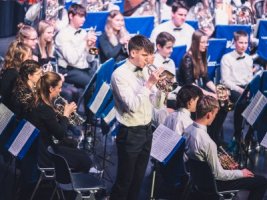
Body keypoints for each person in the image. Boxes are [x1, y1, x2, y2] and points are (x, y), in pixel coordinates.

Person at [110, 35, 165, 200]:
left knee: (138, 180)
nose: (148, 59)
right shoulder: (119, 75)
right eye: (144, 55)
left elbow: (157, 104)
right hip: (130, 133)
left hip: (147, 130)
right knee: (124, 181)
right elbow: (132, 106)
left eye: (150, 55)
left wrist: (161, 88)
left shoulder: (146, 71)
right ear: (133, 53)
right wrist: (148, 84)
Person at [184, 95, 267, 200]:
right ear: (209, 115)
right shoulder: (208, 142)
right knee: (261, 182)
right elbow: (219, 175)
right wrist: (241, 173)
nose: (215, 117)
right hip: (214, 185)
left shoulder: (187, 130)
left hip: (199, 180)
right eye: (215, 114)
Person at [29, 71, 93, 172]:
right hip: (47, 154)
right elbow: (60, 134)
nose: (60, 90)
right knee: (85, 160)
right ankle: (68, 184)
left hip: (45, 145)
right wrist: (66, 114)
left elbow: (51, 125)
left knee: (75, 148)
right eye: (59, 88)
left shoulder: (40, 101)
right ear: (51, 89)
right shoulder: (44, 108)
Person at [179, 30, 227, 146]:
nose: (206, 45)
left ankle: (214, 134)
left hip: (198, 91)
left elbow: (207, 80)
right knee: (213, 103)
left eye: (207, 42)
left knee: (223, 103)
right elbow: (190, 84)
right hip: (189, 94)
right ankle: (210, 136)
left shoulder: (201, 56)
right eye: (203, 42)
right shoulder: (187, 59)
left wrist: (218, 91)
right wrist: (209, 94)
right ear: (196, 43)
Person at [10, 60, 43, 200]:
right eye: (39, 74)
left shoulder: (27, 87)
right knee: (29, 172)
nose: (42, 76)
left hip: (28, 131)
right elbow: (32, 114)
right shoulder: (24, 93)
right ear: (30, 76)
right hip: (25, 136)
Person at [220, 30, 253, 142]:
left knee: (259, 102)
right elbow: (225, 81)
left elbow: (250, 77)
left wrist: (250, 89)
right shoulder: (226, 58)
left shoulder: (249, 58)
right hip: (232, 87)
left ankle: (250, 135)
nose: (243, 46)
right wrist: (240, 90)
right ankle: (237, 134)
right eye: (241, 43)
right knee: (242, 102)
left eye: (245, 43)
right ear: (234, 42)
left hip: (246, 87)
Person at [55, 3, 97, 88]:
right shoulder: (62, 35)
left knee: (102, 82)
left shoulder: (84, 32)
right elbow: (72, 60)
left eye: (84, 17)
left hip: (85, 67)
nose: (84, 19)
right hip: (69, 70)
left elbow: (90, 59)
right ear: (71, 16)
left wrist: (92, 47)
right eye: (81, 16)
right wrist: (84, 41)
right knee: (92, 84)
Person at [0, 42, 32, 110]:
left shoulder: (16, 72)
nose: (31, 58)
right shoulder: (13, 74)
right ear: (20, 57)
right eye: (29, 56)